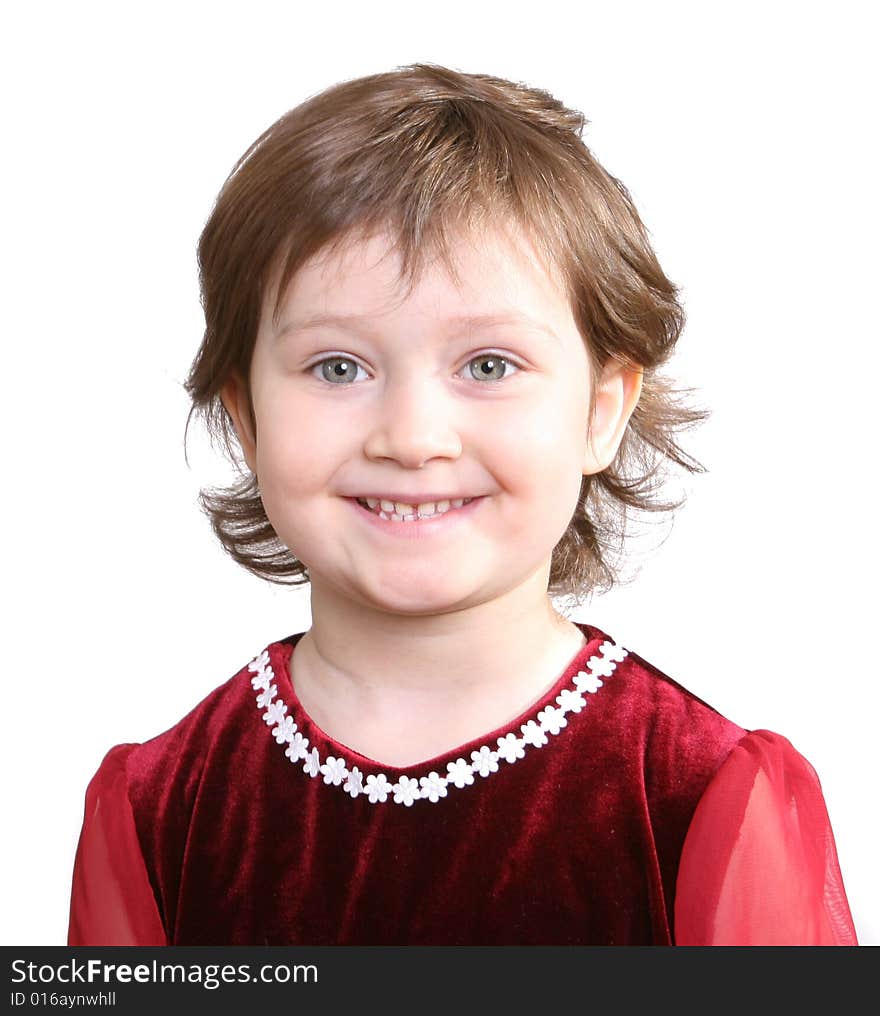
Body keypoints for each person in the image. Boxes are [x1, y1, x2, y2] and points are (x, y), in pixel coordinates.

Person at [67, 63, 857, 946]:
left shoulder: (699, 795)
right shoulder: (155, 812)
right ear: (245, 418)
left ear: (601, 412)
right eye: (338, 367)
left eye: (488, 365)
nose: (412, 437)